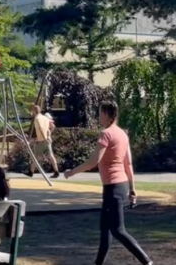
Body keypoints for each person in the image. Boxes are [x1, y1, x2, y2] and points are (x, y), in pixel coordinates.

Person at [64, 101, 152, 265]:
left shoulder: (106, 134)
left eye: (100, 113)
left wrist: (72, 172)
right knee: (105, 229)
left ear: (106, 114)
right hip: (120, 185)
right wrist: (132, 189)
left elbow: (94, 161)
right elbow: (129, 164)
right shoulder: (123, 134)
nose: (99, 117)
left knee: (118, 230)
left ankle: (147, 261)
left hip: (113, 187)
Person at [31, 104, 61, 178]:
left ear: (34, 111)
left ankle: (31, 172)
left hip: (42, 140)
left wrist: (44, 138)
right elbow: (52, 126)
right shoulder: (45, 118)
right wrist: (48, 134)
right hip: (47, 139)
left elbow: (41, 128)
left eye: (33, 111)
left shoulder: (37, 118)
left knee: (36, 157)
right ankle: (56, 171)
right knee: (51, 156)